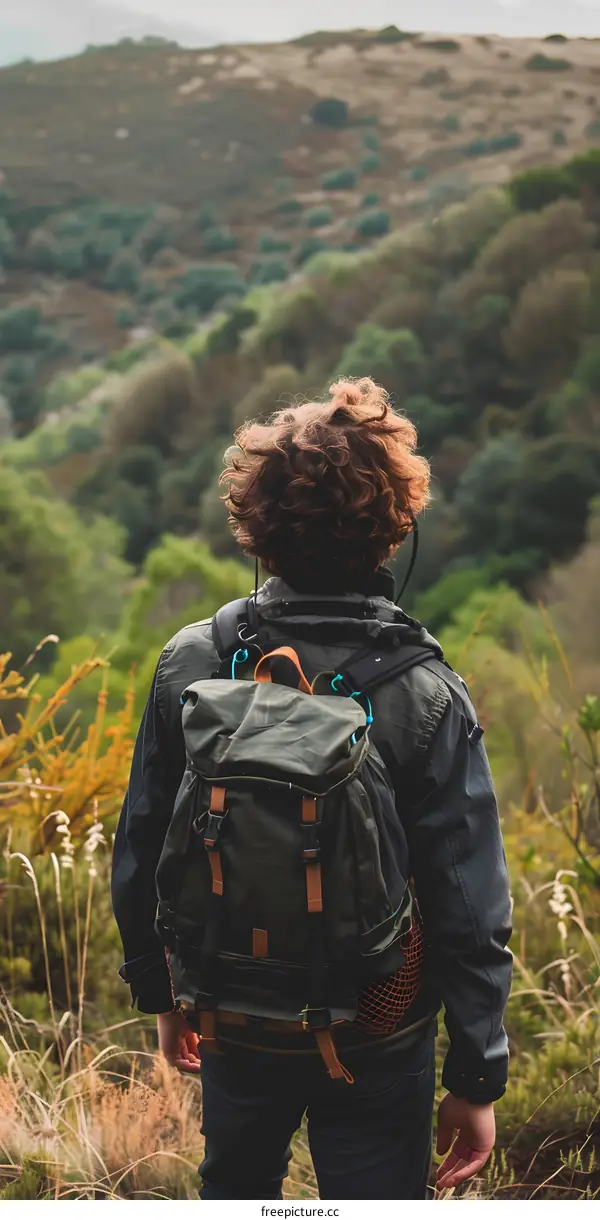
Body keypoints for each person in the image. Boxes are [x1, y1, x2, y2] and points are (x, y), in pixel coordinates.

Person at [112, 377, 512, 1201]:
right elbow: (469, 903)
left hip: (231, 1007)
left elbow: (142, 842)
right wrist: (477, 1077)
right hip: (378, 1018)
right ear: (394, 526)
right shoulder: (426, 690)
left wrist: (163, 993)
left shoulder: (193, 661)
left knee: (238, 1189)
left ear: (256, 524)